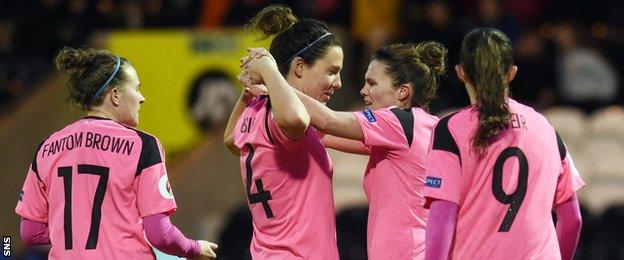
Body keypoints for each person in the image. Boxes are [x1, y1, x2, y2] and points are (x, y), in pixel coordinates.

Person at [244, 41, 446, 259]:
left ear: (403, 92)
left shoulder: (396, 121)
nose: (363, 91)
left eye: (372, 83)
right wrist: (270, 98)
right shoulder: (422, 127)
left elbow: (326, 121)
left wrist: (271, 76)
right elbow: (321, 134)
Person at [15, 47, 218, 260]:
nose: (142, 98)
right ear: (115, 95)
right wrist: (194, 248)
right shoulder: (143, 146)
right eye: (137, 88)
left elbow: (30, 232)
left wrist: (77, 235)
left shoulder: (47, 148)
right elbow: (160, 235)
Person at [423, 28, 585, 260]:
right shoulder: (546, 128)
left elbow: (443, 216)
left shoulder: (450, 129)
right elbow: (572, 218)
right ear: (511, 73)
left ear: (461, 73)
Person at [222, 5, 343, 259]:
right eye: (332, 71)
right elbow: (297, 118)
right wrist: (268, 70)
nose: (338, 83)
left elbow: (231, 140)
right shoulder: (285, 118)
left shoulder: (256, 109)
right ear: (299, 67)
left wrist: (247, 94)